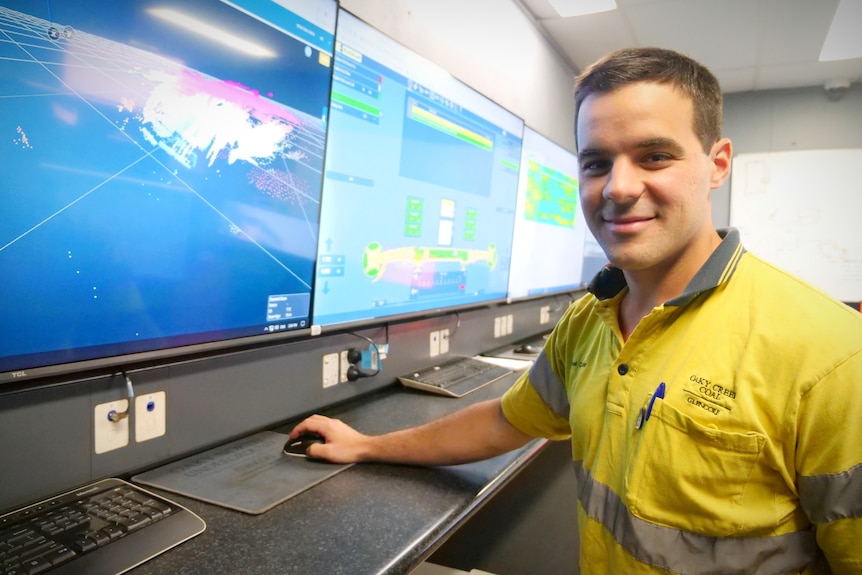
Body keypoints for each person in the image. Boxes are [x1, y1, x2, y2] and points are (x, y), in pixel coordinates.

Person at [291, 47, 862, 573]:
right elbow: (504, 422)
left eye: (654, 156)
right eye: (595, 163)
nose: (617, 187)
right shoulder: (591, 321)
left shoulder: (832, 357)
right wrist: (365, 445)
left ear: (718, 164)